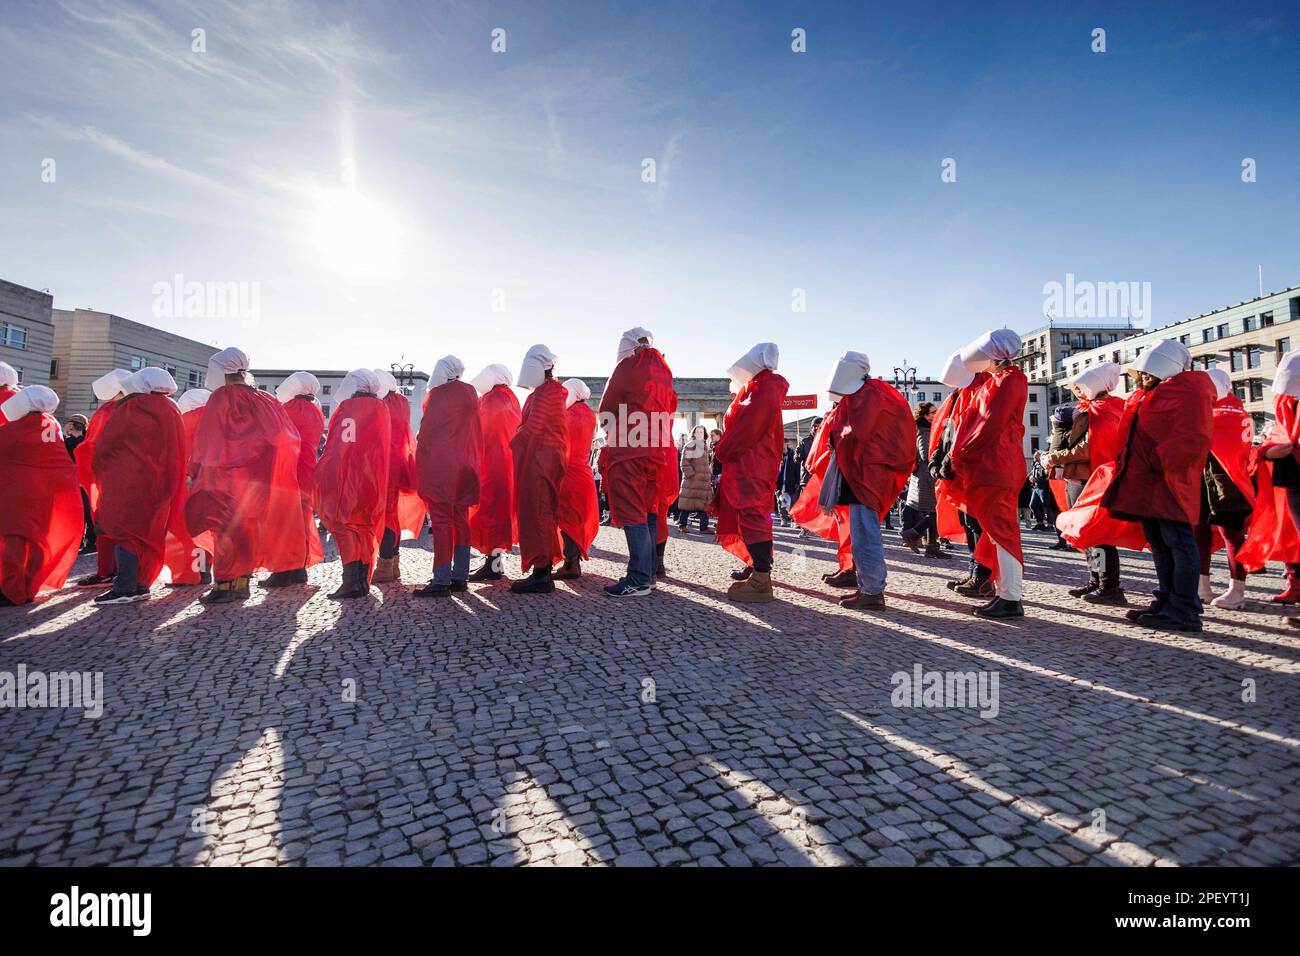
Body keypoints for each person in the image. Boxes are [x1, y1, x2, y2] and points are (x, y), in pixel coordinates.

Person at [1099, 340, 1216, 632]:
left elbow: (1194, 438)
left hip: (1168, 482)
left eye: (1148, 373)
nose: (1142, 378)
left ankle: (1184, 609)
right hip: (1150, 484)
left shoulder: (1187, 392)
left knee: (1178, 544)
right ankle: (1167, 600)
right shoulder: (1155, 394)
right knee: (1162, 546)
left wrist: (1157, 458)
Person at [186, 347, 313, 604]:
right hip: (256, 481)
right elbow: (284, 438)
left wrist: (195, 470)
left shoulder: (222, 398)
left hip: (223, 477)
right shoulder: (265, 399)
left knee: (224, 532)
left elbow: (207, 439)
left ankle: (224, 585)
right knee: (244, 531)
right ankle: (241, 584)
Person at [817, 351, 917, 610]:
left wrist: (835, 435)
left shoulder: (868, 393)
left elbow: (857, 432)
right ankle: (868, 585)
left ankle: (873, 591)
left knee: (865, 533)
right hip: (863, 472)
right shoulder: (871, 391)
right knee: (862, 531)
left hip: (866, 474)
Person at [90, 367, 187, 605]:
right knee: (148, 532)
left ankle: (124, 587)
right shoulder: (171, 407)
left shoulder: (133, 407)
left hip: (129, 479)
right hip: (160, 480)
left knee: (126, 532)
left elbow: (106, 444)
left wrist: (100, 470)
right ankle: (141, 583)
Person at [950, 330, 1028, 619]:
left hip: (996, 465)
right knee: (997, 534)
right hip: (992, 464)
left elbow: (987, 425)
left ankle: (1010, 598)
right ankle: (1005, 594)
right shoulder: (1003, 380)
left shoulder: (1008, 381)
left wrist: (958, 455)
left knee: (1002, 534)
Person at [597, 328, 677, 598]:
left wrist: (611, 432)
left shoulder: (628, 366)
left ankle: (639, 578)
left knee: (633, 514)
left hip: (629, 449)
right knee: (650, 511)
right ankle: (650, 574)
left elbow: (607, 408)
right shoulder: (664, 371)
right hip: (657, 451)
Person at [1042, 362, 1127, 604]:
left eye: (1081, 386)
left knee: (1098, 534)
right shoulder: (1092, 409)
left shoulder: (1104, 410)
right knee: (1086, 534)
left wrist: (1054, 457)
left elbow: (1088, 448)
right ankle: (1096, 581)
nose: (1077, 391)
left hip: (1091, 479)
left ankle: (1109, 586)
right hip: (1080, 477)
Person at [714, 343, 789, 603]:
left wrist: (722, 450)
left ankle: (761, 578)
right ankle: (757, 567)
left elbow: (748, 428)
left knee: (753, 514)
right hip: (750, 461)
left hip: (751, 462)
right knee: (750, 515)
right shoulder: (761, 387)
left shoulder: (764, 387)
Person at [0, 386, 83, 606]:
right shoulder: (52, 424)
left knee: (14, 541)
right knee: (38, 542)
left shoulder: (18, 427)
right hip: (48, 493)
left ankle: (11, 591)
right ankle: (29, 587)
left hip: (20, 494)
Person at [313, 368, 392, 600]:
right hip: (373, 479)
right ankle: (361, 581)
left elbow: (339, 447)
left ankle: (351, 582)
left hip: (348, 476)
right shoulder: (382, 408)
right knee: (365, 528)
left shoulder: (347, 409)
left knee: (344, 527)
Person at [415, 355, 483, 597]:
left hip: (442, 467)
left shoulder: (437, 396)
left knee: (442, 522)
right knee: (461, 520)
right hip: (466, 465)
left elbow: (426, 434)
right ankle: (460, 576)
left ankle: (441, 579)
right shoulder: (471, 394)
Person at [928, 353, 992, 596]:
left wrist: (945, 460)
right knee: (969, 522)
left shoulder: (979, 390)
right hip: (957, 470)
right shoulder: (961, 394)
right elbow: (947, 431)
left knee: (977, 524)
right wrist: (938, 458)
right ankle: (975, 571)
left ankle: (983, 576)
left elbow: (971, 432)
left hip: (971, 470)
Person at [1238, 350, 1300, 603]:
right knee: (1288, 529)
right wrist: (1267, 451)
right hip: (1288, 472)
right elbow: (1279, 434)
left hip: (1292, 468)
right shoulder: (1285, 402)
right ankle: (1295, 583)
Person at [1193, 368, 1255, 609]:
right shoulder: (1235, 411)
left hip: (1226, 482)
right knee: (1202, 532)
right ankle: (1202, 586)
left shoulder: (1222, 414)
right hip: (1211, 479)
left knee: (1231, 535)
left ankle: (1236, 589)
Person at [510, 344, 569, 594]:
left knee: (540, 512)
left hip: (542, 460)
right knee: (539, 512)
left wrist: (512, 441)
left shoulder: (547, 393)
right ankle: (541, 569)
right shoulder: (547, 392)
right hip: (541, 458)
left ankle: (542, 573)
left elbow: (533, 427)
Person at [268, 371, 326, 587]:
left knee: (283, 522)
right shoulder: (315, 410)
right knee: (301, 520)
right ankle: (299, 568)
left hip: (288, 471)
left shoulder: (290, 409)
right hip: (307, 470)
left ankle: (282, 572)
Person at [74, 369, 130, 587]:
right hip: (130, 476)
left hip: (106, 477)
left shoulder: (107, 412)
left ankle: (106, 572)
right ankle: (126, 574)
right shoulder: (136, 407)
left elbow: (92, 446)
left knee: (104, 524)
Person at [466, 364, 521, 580]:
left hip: (490, 464)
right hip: (507, 465)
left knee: (489, 513)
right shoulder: (510, 399)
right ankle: (495, 562)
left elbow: (478, 431)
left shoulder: (491, 400)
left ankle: (492, 564)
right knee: (500, 514)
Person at [372, 369, 424, 583]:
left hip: (384, 464)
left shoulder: (383, 405)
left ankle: (385, 566)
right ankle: (392, 564)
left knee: (385, 516)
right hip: (398, 462)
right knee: (392, 515)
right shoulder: (401, 402)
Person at [167, 388, 214, 586]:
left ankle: (188, 573)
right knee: (205, 528)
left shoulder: (187, 420)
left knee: (186, 529)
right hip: (211, 483)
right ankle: (204, 571)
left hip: (187, 482)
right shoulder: (215, 420)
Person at [555, 378, 600, 579]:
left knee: (567, 519)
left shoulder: (568, 415)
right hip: (584, 472)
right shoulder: (589, 414)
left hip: (569, 473)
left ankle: (570, 564)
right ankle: (574, 562)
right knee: (578, 519)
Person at [900, 402, 947, 559]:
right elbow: (925, 454)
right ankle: (912, 533)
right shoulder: (925, 431)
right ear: (926, 416)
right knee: (935, 513)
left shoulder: (926, 429)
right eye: (933, 412)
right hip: (926, 478)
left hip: (925, 477)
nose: (936, 414)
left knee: (934, 512)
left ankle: (932, 546)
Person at [676, 425, 713, 534]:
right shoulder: (690, 445)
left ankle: (704, 527)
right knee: (687, 504)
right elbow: (685, 462)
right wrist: (690, 474)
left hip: (703, 482)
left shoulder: (705, 446)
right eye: (697, 432)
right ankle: (682, 525)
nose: (700, 434)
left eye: (702, 432)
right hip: (692, 480)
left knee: (703, 505)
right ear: (694, 433)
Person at [775, 439, 800, 527]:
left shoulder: (793, 454)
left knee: (793, 502)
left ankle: (794, 520)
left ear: (787, 444)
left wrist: (797, 481)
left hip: (791, 482)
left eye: (784, 444)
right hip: (780, 483)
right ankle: (784, 519)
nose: (782, 446)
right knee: (781, 502)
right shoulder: (777, 455)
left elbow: (797, 468)